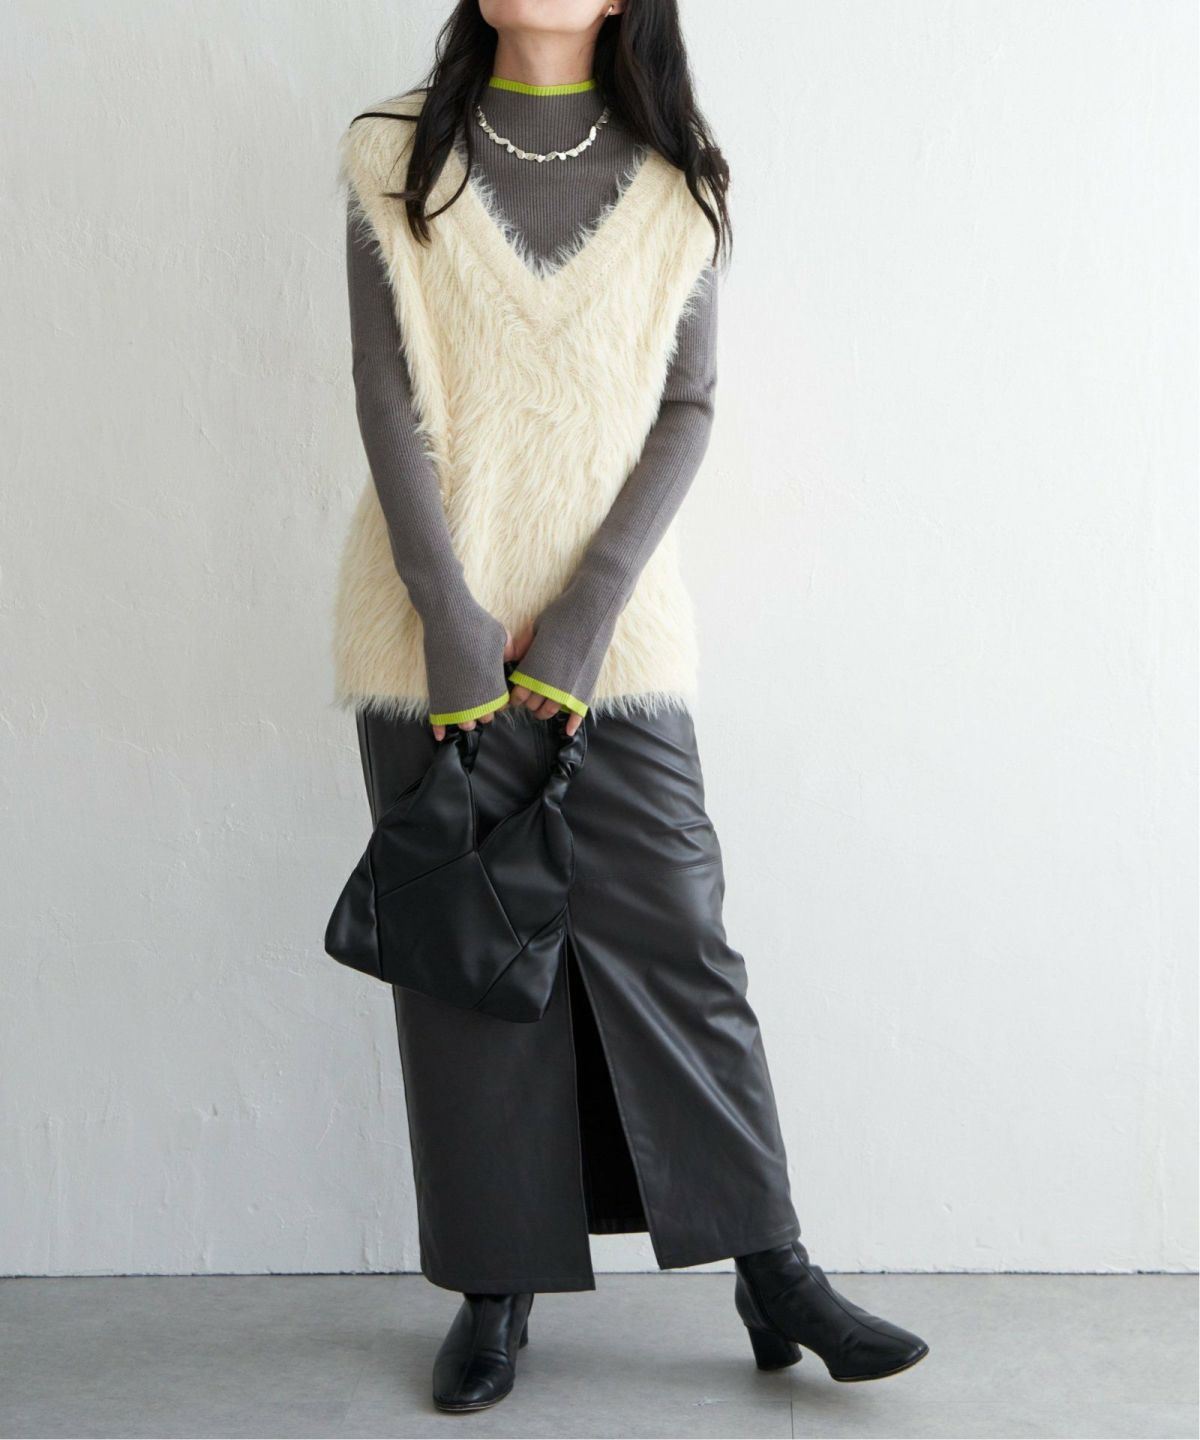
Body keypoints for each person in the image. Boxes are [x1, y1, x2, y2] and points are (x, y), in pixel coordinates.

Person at [336, 0, 929, 1414]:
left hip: (623, 639)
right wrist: (453, 624)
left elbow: (690, 408)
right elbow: (384, 390)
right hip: (428, 637)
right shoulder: (391, 154)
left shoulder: (680, 180)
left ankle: (773, 1269)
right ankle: (495, 1289)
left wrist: (584, 619)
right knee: (476, 965)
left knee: (681, 940)